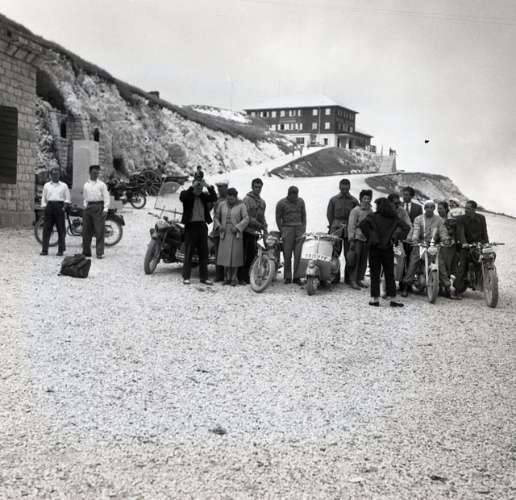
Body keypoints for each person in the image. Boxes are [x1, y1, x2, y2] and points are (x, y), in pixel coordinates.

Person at [359, 197, 410, 307]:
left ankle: (375, 299)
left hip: (374, 248)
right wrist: (396, 237)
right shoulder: (394, 218)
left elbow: (362, 225)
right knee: (389, 274)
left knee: (375, 274)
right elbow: (406, 228)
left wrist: (370, 236)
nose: (376, 207)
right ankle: (393, 299)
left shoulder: (372, 217)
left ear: (379, 206)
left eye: (377, 205)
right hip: (388, 248)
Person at [401, 200, 448, 296]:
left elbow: (443, 231)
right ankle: (406, 285)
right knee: (413, 262)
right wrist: (415, 239)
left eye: (431, 207)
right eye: (427, 207)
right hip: (420, 244)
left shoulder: (439, 220)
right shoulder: (418, 219)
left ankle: (447, 286)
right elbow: (416, 230)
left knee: (440, 263)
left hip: (433, 245)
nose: (429, 209)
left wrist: (445, 239)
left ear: (434, 208)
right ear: (424, 208)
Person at [179, 178, 217, 285]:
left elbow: (214, 197)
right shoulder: (187, 195)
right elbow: (182, 197)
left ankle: (204, 278)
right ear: (193, 187)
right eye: (197, 187)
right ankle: (186, 277)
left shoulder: (203, 196)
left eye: (200, 188)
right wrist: (192, 187)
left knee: (203, 253)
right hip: (190, 226)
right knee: (189, 252)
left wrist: (208, 186)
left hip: (202, 226)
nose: (199, 189)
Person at [453, 200, 489, 297]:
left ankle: (482, 281)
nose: (466, 210)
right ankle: (457, 290)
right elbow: (460, 232)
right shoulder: (461, 219)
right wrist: (464, 243)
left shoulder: (481, 218)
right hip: (466, 246)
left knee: (487, 258)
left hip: (478, 245)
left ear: (474, 209)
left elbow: (484, 233)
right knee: (463, 265)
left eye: (468, 208)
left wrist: (486, 243)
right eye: (465, 208)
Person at [214, 188, 249, 285]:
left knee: (235, 256)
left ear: (236, 197)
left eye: (232, 199)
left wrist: (238, 227)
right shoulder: (222, 204)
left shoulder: (241, 205)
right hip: (225, 232)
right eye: (228, 199)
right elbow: (216, 217)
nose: (230, 201)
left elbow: (246, 218)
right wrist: (219, 226)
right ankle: (227, 277)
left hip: (235, 233)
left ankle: (234, 278)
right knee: (225, 256)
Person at [326, 178, 359, 283]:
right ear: (339, 187)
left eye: (346, 188)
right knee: (335, 253)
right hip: (336, 228)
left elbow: (357, 215)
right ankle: (335, 276)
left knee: (349, 254)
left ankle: (348, 278)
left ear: (349, 187)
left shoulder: (354, 201)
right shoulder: (333, 200)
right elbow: (329, 214)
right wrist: (334, 225)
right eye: (342, 188)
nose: (344, 190)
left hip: (349, 228)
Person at [239, 178, 267, 284]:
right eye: (256, 187)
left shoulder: (262, 202)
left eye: (259, 187)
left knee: (253, 255)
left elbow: (262, 217)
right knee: (244, 255)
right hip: (246, 231)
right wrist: (259, 225)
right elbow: (246, 216)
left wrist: (265, 227)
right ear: (252, 187)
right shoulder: (246, 200)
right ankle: (241, 277)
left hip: (256, 233)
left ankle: (248, 276)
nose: (257, 189)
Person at [276, 186, 306, 284]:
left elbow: (304, 216)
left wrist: (303, 229)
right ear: (289, 194)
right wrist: (282, 230)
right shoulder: (281, 203)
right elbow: (278, 217)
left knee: (298, 254)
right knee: (287, 254)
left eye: (296, 194)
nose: (295, 196)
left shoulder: (301, 202)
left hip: (299, 229)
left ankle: (297, 277)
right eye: (293, 194)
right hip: (287, 229)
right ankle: (288, 277)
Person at [40, 166, 71, 256]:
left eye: (57, 174)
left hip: (59, 207)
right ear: (51, 175)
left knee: (61, 229)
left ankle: (60, 250)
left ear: (59, 175)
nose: (55, 176)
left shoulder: (64, 186)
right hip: (49, 207)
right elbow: (43, 197)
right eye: (53, 174)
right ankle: (44, 250)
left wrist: (63, 208)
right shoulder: (46, 185)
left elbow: (67, 199)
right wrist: (44, 207)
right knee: (47, 229)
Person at [82, 164, 110, 259]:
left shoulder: (102, 185)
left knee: (99, 231)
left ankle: (99, 252)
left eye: (97, 173)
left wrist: (105, 209)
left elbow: (106, 197)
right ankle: (86, 252)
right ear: (90, 173)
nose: (95, 174)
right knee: (86, 231)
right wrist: (85, 206)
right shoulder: (86, 185)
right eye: (94, 172)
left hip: (99, 207)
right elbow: (85, 197)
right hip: (88, 207)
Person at [347, 189, 373, 289]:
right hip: (357, 238)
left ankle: (359, 279)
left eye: (368, 198)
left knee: (363, 260)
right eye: (364, 198)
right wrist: (351, 239)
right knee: (355, 260)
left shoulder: (370, 211)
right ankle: (353, 280)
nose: (366, 200)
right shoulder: (355, 210)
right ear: (361, 199)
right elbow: (351, 226)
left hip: (366, 239)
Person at [437, 201, 460, 299]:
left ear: (446, 209)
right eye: (438, 208)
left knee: (451, 267)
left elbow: (455, 232)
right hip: (441, 246)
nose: (438, 210)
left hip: (451, 246)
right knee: (443, 266)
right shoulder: (437, 219)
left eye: (441, 208)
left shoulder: (451, 218)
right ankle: (444, 288)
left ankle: (449, 288)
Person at [212, 179, 229, 282]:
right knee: (218, 253)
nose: (219, 190)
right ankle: (219, 275)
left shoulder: (231, 199)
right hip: (217, 230)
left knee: (227, 253)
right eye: (218, 188)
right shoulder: (216, 200)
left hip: (228, 231)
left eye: (221, 188)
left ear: (226, 187)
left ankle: (227, 275)